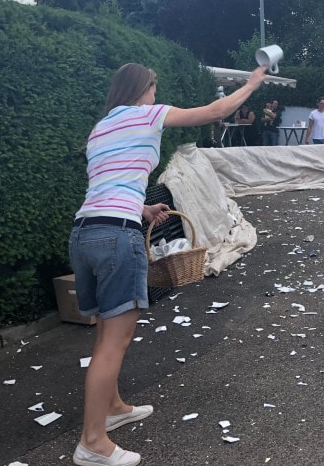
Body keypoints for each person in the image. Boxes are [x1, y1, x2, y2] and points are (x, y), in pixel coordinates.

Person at [69, 62, 266, 466]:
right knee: (115, 340)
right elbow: (214, 112)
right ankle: (92, 442)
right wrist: (251, 84)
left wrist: (142, 209)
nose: (156, 97)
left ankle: (113, 407)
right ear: (142, 89)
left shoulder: (100, 128)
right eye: (153, 88)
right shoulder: (145, 114)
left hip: (86, 232)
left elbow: (109, 184)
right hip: (116, 238)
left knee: (107, 327)